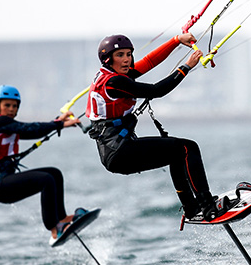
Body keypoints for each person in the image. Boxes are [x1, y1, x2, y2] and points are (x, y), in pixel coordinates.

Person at [85, 33, 222, 221]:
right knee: (187, 148)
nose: (126, 60)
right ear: (108, 59)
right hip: (120, 152)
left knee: (176, 154)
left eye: (128, 54)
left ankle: (192, 208)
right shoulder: (114, 82)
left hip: (115, 152)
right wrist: (186, 66)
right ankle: (208, 206)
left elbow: (149, 61)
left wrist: (176, 41)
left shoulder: (114, 75)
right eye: (120, 55)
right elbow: (156, 91)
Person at [0, 84, 83, 246]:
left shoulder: (6, 126)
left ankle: (62, 219)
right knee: (46, 180)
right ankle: (55, 229)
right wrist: (60, 125)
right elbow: (30, 129)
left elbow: (32, 130)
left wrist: (56, 122)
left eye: (14, 106)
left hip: (6, 180)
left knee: (54, 173)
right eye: (7, 105)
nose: (11, 109)